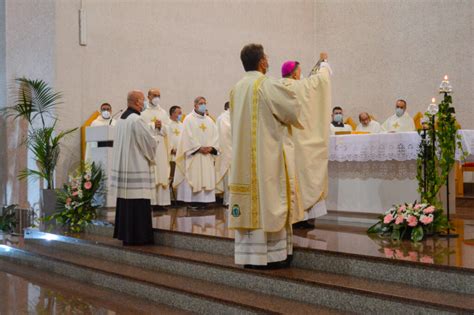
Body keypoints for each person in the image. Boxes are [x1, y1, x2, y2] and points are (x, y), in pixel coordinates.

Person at [229, 43, 303, 269]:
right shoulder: (266, 84)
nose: (268, 61)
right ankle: (272, 256)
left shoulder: (236, 89)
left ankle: (250, 257)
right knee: (269, 198)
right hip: (266, 157)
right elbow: (292, 111)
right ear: (261, 62)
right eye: (266, 58)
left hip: (243, 160)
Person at [279, 55, 332, 230]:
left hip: (283, 143)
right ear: (294, 75)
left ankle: (288, 216)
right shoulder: (301, 86)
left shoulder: (277, 87)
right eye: (300, 72)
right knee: (304, 177)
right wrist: (323, 64)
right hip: (302, 142)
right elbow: (320, 81)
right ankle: (305, 216)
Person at [110, 90, 156, 245]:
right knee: (138, 202)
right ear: (137, 101)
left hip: (126, 169)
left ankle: (127, 235)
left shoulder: (121, 119)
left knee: (126, 203)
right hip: (136, 166)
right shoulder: (136, 120)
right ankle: (139, 236)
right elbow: (147, 142)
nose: (144, 103)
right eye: (143, 100)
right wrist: (155, 144)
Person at [173, 96, 219, 206]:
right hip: (194, 155)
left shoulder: (209, 121)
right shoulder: (188, 119)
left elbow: (216, 136)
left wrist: (211, 148)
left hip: (207, 156)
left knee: (206, 176)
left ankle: (206, 201)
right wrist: (198, 148)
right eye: (201, 103)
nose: (204, 105)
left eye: (205, 103)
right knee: (194, 176)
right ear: (195, 105)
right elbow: (187, 137)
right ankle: (193, 202)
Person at [141, 88, 171, 207]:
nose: (156, 98)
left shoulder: (163, 112)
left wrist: (161, 126)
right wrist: (153, 125)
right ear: (148, 96)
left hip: (161, 148)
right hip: (148, 147)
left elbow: (169, 129)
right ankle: (150, 203)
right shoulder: (142, 112)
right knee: (151, 172)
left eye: (159, 95)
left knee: (161, 172)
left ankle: (161, 202)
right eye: (154, 95)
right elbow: (140, 129)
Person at [215, 102, 232, 206]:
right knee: (228, 177)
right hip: (227, 151)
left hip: (234, 151)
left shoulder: (234, 116)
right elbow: (226, 134)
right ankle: (228, 200)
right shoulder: (223, 118)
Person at [168, 105, 183, 188]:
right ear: (173, 113)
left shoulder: (181, 124)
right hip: (171, 155)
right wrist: (171, 150)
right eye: (179, 113)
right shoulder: (167, 124)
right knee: (171, 176)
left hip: (180, 155)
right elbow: (166, 139)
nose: (181, 115)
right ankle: (170, 197)